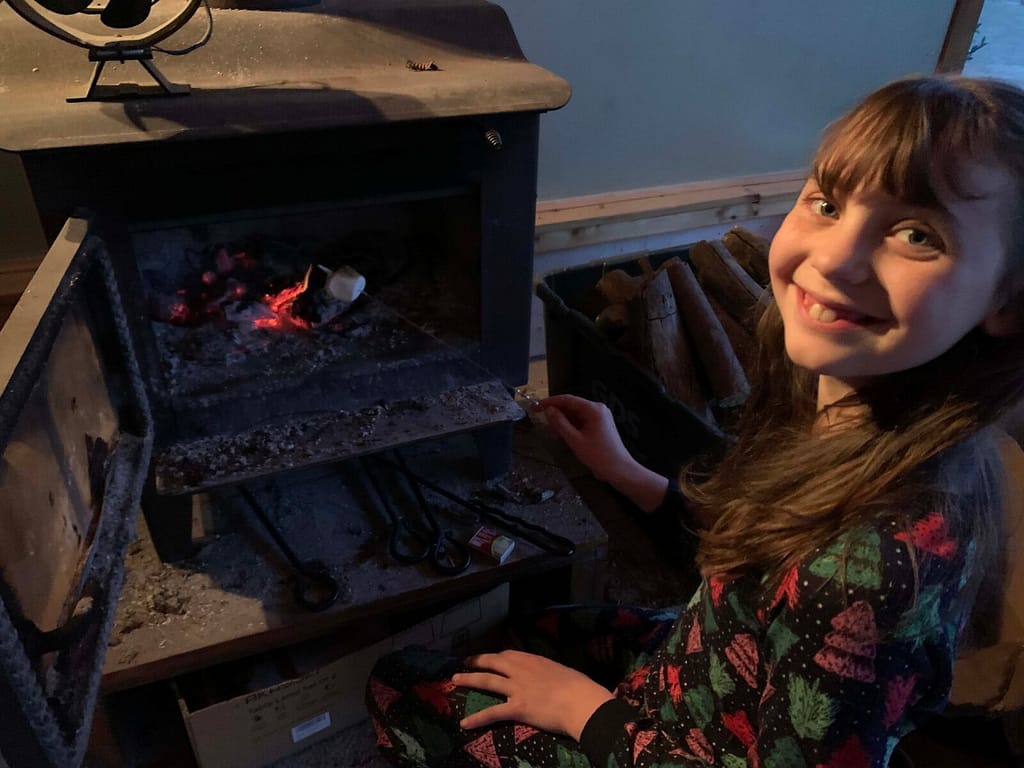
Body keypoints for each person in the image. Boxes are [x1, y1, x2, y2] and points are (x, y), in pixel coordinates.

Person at [365, 74, 1024, 767]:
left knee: (402, 686)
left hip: (691, 747)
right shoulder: (846, 398)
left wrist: (584, 711)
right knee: (516, 635)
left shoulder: (872, 577)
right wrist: (632, 476)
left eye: (916, 234)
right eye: (827, 203)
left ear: (1008, 302)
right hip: (702, 665)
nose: (834, 258)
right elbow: (764, 566)